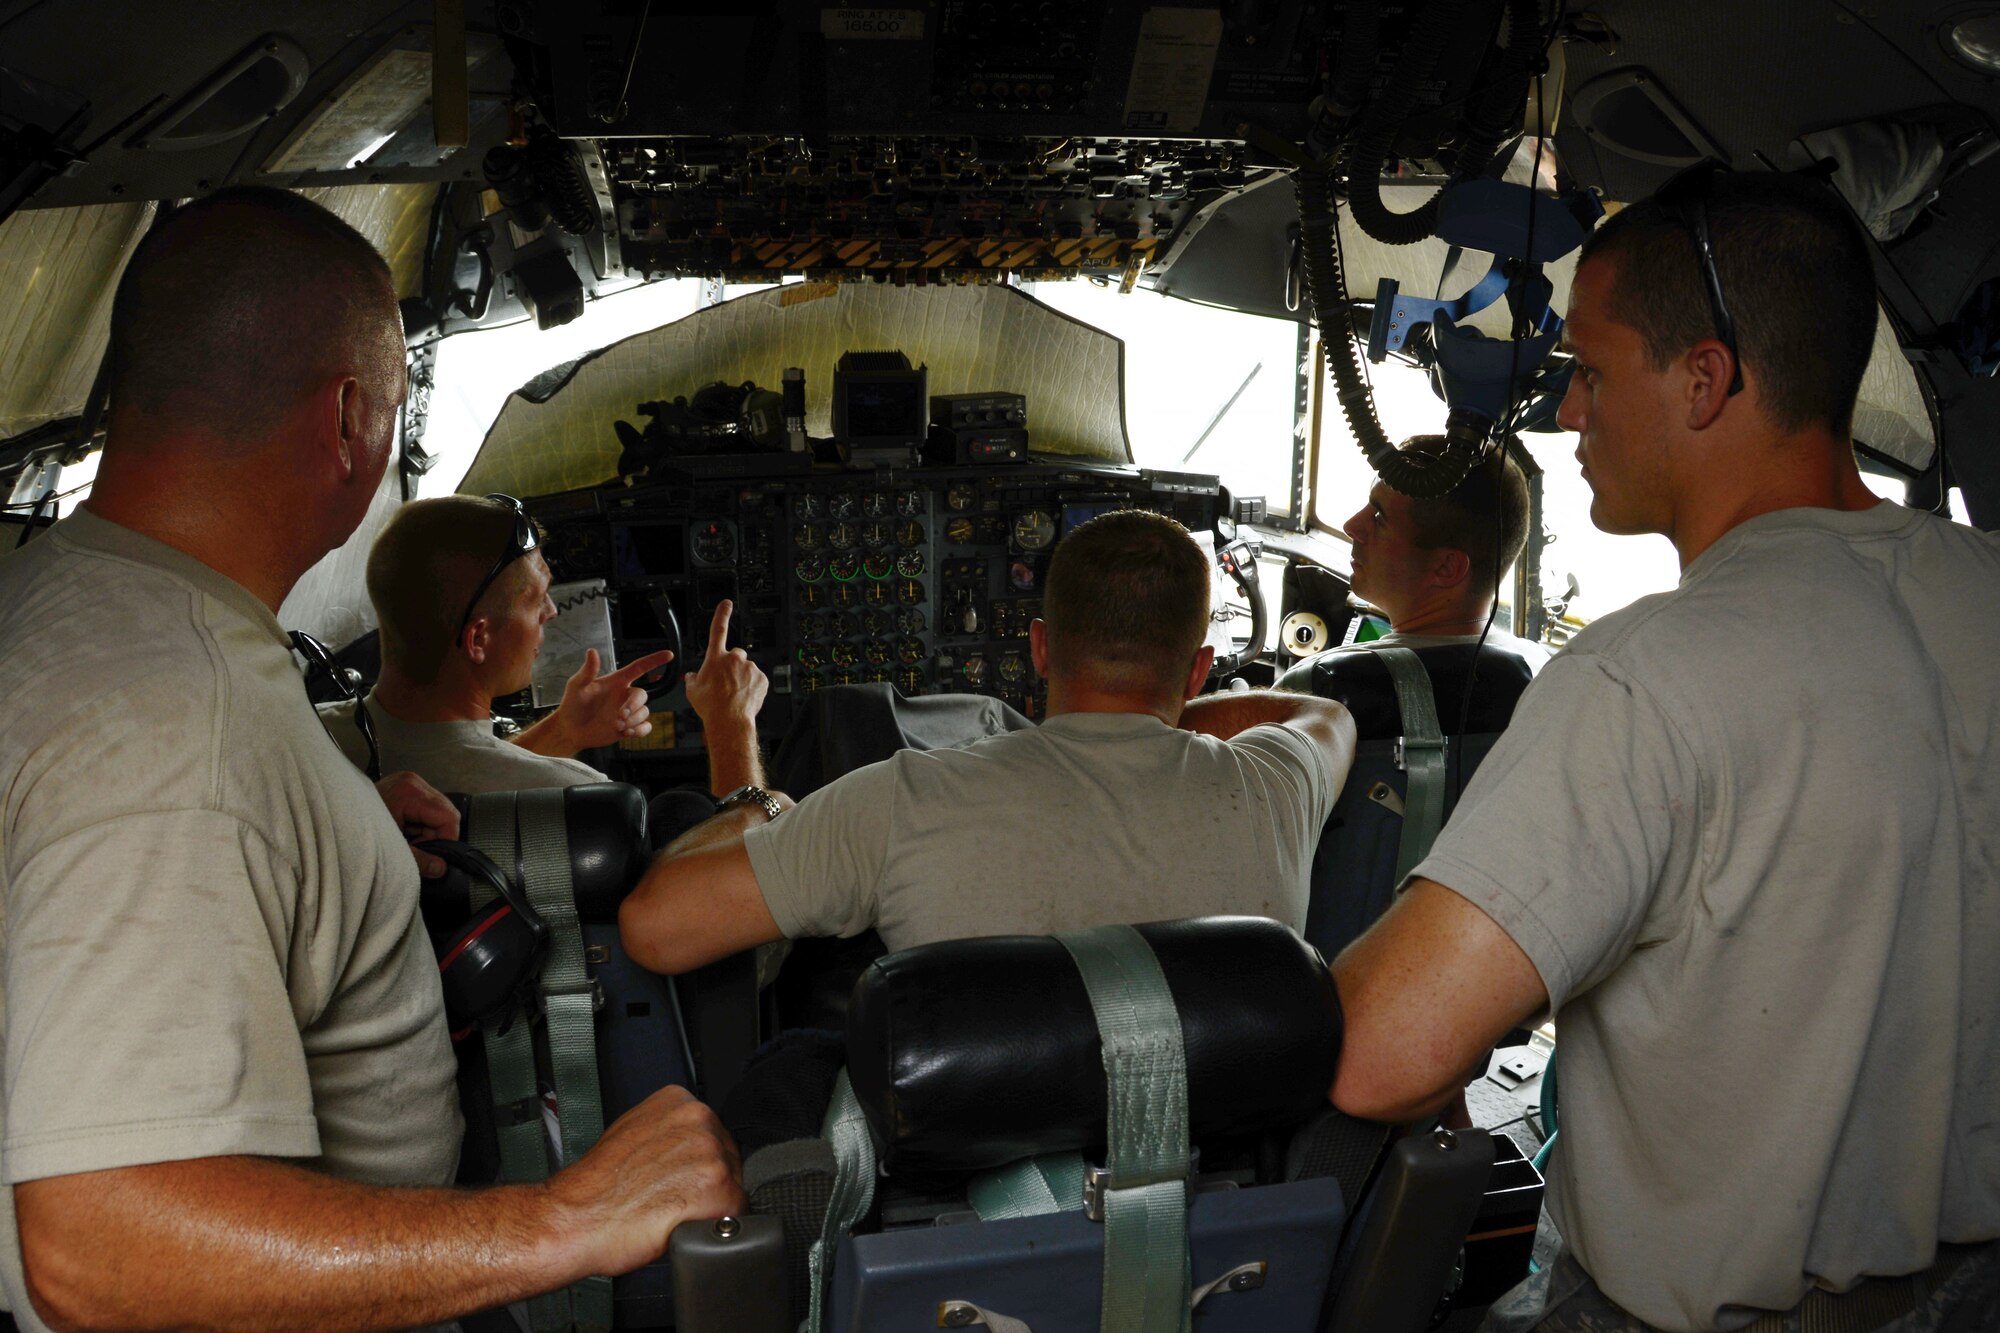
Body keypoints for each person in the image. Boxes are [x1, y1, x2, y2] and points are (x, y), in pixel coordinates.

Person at [0, 186, 739, 1333]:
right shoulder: (176, 735)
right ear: (349, 420)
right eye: (396, 407)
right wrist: (563, 1220)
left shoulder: (65, 601)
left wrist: (325, 830)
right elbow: (98, 1242)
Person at [1326, 169, 1999, 1332]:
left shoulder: (1644, 675)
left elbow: (1381, 1055)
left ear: (1704, 378)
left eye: (1588, 372)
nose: (1565, 416)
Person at [618, 509, 1357, 974]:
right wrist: (1164, 714)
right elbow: (1322, 716)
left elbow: (654, 929)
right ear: (1198, 667)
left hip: (969, 1209)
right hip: (1225, 1186)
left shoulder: (897, 802)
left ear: (1038, 648)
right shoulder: (1277, 786)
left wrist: (745, 757)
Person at [319, 493, 678, 794]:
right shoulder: (571, 796)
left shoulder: (307, 733)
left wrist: (565, 731)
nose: (552, 611)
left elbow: (461, 763)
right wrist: (729, 720)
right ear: (477, 639)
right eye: (537, 599)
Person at [1338, 435, 1546, 663]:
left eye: (1378, 517)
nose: (1351, 526)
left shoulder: (1326, 678)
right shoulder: (1539, 664)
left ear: (1446, 567)